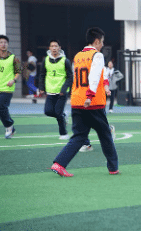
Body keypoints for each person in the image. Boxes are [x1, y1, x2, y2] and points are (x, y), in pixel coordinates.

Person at [50, 27, 118, 177]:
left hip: (77, 101)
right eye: (102, 42)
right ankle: (113, 168)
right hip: (93, 103)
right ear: (97, 41)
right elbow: (94, 76)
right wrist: (90, 95)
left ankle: (59, 164)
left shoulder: (78, 56)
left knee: (79, 136)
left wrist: (102, 88)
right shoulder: (97, 55)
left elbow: (83, 77)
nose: (103, 45)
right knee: (105, 136)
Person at [38, 39, 73, 138]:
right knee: (48, 111)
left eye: (56, 46)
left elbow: (70, 77)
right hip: (50, 91)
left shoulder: (65, 61)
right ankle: (63, 116)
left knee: (58, 112)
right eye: (52, 46)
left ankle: (64, 134)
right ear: (49, 48)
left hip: (61, 92)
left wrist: (64, 89)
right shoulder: (45, 60)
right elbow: (42, 74)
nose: (54, 48)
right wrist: (41, 87)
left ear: (59, 48)